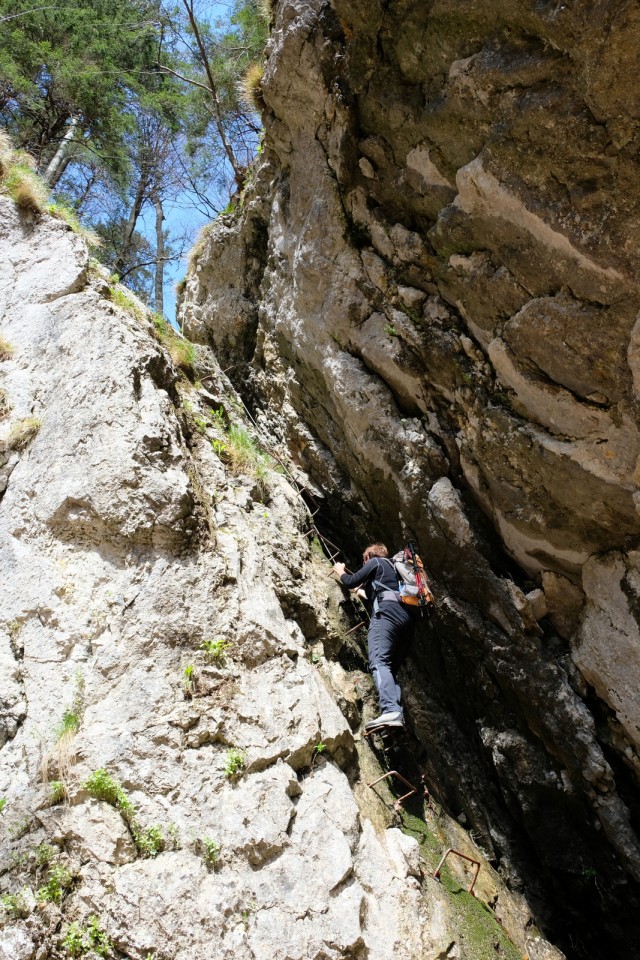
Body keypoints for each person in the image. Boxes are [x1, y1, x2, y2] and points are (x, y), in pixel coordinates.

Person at [333, 543, 414, 731]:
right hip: (407, 622)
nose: (363, 563)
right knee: (389, 668)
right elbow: (374, 594)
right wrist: (360, 592)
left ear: (368, 557)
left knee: (378, 662)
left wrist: (340, 571)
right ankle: (396, 713)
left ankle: (391, 711)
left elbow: (350, 581)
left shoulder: (376, 562)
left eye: (364, 560)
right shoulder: (394, 571)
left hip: (387, 616)